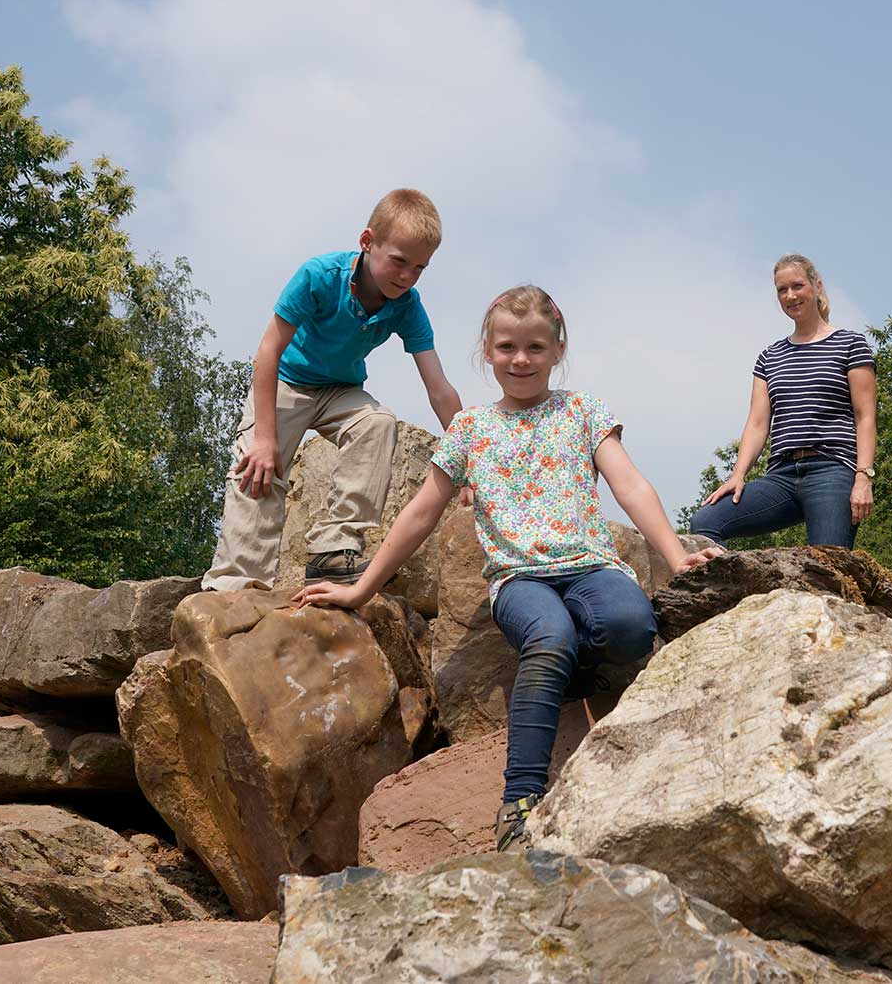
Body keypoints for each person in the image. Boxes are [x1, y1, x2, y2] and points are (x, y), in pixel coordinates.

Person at [292, 285, 720, 851]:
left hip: (590, 566)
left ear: (557, 349)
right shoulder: (470, 429)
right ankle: (520, 801)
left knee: (632, 626)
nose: (521, 359)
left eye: (535, 347)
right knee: (548, 636)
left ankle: (575, 670)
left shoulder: (583, 410)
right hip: (520, 580)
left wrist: (676, 556)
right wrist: (362, 589)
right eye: (508, 347)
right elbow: (421, 512)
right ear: (488, 351)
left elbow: (631, 485)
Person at [202, 189, 464, 591]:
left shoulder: (407, 305)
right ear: (367, 242)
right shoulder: (320, 276)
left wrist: (474, 461)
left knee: (377, 423)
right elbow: (267, 354)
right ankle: (236, 583)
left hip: (340, 391)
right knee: (258, 465)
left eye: (419, 268)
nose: (407, 276)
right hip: (285, 383)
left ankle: (333, 551)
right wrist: (266, 437)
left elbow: (439, 388)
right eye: (398, 261)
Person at [690, 253, 877, 548]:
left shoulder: (850, 344)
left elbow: (865, 417)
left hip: (832, 470)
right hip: (781, 477)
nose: (790, 295)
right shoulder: (770, 357)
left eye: (797, 286)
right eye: (782, 290)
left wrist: (863, 477)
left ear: (816, 286)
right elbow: (757, 423)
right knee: (705, 522)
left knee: (827, 566)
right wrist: (737, 475)